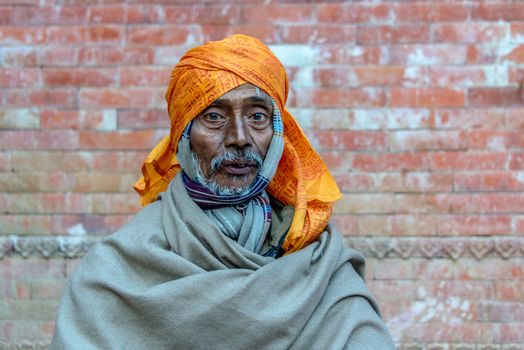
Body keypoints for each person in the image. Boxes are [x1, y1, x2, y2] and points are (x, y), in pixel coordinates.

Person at [51, 34, 395, 349]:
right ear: (183, 136)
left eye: (258, 116)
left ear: (278, 135)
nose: (239, 137)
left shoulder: (319, 263)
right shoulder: (115, 273)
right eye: (214, 117)